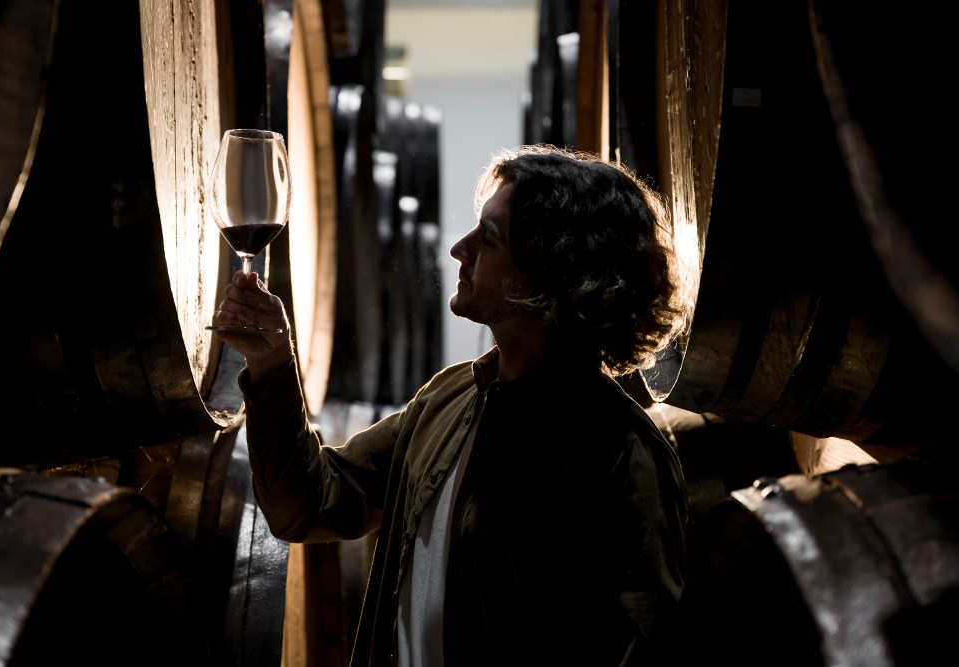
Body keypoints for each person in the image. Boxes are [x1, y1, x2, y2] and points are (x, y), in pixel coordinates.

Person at [211, 144, 691, 666]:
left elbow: (639, 646)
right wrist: (273, 365)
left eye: (489, 238)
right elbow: (305, 506)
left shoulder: (621, 451)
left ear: (552, 275)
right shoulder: (452, 398)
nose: (459, 248)